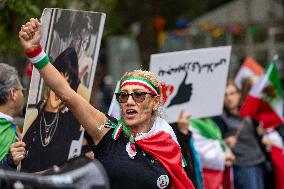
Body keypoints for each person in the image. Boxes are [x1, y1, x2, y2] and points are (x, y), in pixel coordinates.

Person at [19, 18, 195, 189]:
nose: (130, 101)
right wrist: (36, 53)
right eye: (124, 96)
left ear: (155, 101)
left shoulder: (168, 144)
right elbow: (68, 95)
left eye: (139, 95)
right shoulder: (109, 132)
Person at [21, 47, 90, 172]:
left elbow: (85, 94)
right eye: (57, 82)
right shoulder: (35, 113)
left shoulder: (71, 120)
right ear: (50, 81)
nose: (60, 90)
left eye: (66, 84)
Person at [215, 80, 265, 189]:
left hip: (259, 161)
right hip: (242, 165)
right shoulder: (220, 118)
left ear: (238, 94)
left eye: (232, 93)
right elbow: (216, 142)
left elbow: (254, 135)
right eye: (225, 95)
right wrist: (226, 143)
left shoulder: (247, 111)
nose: (229, 98)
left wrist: (260, 132)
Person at [0, 63, 26, 169]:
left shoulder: (9, 124)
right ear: (13, 93)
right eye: (22, 91)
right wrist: (9, 162)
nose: (24, 96)